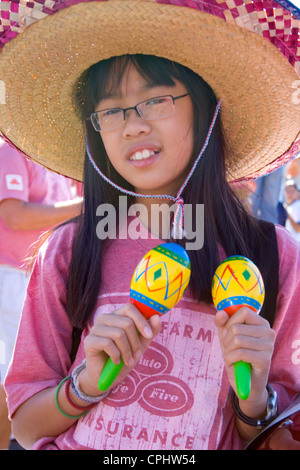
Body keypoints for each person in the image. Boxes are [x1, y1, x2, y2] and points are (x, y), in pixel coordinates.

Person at [1, 0, 300, 451]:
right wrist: (86, 383)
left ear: (206, 109)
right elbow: (24, 427)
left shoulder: (274, 255)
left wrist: (254, 399)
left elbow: (280, 438)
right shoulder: (68, 249)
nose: (131, 126)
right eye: (111, 110)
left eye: (156, 99)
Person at [0, 141, 83, 449]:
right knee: (7, 378)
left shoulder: (58, 162)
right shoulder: (11, 151)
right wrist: (88, 206)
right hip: (9, 278)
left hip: (41, 282)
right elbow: (15, 216)